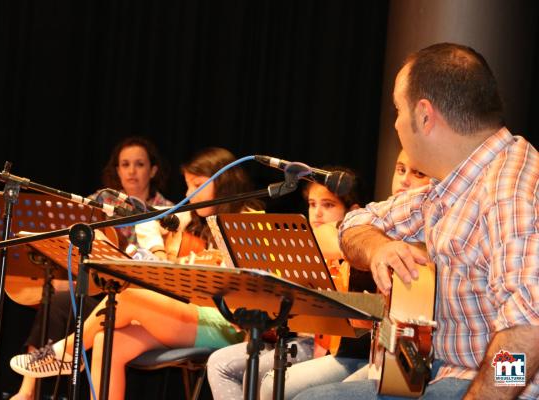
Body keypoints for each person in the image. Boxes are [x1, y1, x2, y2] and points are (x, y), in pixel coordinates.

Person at [294, 43, 539, 399]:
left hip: (485, 385)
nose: (395, 123)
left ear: (424, 115)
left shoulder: (511, 189)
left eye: (397, 109)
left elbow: (530, 326)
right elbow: (354, 223)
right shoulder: (448, 185)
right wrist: (379, 247)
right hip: (441, 374)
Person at [10, 147, 264, 400]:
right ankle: (67, 355)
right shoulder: (201, 218)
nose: (190, 195)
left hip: (228, 324)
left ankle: (66, 352)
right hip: (194, 315)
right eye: (188, 186)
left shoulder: (250, 222)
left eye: (197, 185)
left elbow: (252, 289)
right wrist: (160, 253)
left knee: (128, 299)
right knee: (106, 340)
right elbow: (155, 221)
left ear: (224, 184)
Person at [10, 136, 173, 400]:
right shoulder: (100, 200)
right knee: (57, 300)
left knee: (70, 300)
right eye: (125, 164)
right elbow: (71, 238)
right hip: (97, 288)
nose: (132, 171)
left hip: (134, 302)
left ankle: (70, 354)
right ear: (117, 170)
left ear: (153, 170)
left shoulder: (168, 212)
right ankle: (27, 390)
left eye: (139, 164)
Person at [256, 153, 430, 399]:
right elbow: (329, 235)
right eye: (400, 170)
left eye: (418, 173)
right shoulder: (377, 223)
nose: (403, 181)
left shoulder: (432, 233)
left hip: (384, 360)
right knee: (269, 380)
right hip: (368, 353)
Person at [206, 166, 364, 399]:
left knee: (263, 378)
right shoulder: (297, 247)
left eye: (328, 205)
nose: (317, 213)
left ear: (353, 211)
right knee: (219, 362)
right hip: (293, 338)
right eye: (312, 204)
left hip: (326, 348)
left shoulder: (352, 254)